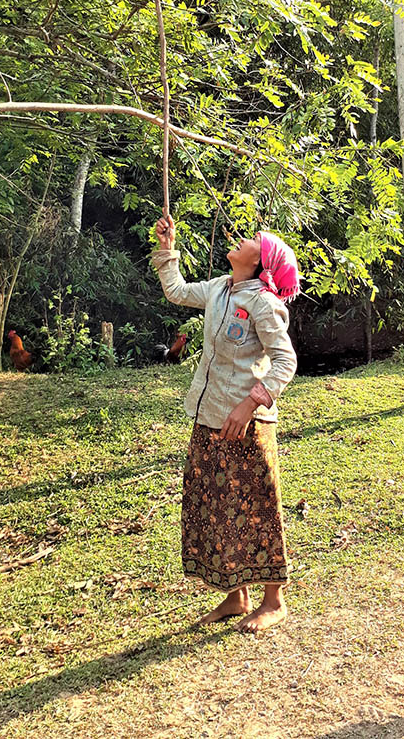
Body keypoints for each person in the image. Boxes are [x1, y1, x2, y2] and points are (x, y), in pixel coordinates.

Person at [152, 215, 299, 633]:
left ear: (261, 264)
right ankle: (236, 595)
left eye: (255, 240)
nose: (244, 239)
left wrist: (250, 404)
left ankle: (274, 600)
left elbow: (285, 361)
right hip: (209, 414)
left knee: (257, 508)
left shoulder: (263, 303)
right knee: (217, 505)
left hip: (245, 424)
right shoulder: (221, 287)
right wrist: (169, 247)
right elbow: (177, 292)